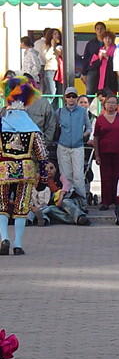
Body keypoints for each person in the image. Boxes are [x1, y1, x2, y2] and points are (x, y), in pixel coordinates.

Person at [0, 77, 48, 256]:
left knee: (2, 205)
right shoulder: (32, 127)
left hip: (4, 170)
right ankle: (18, 244)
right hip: (26, 170)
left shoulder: (2, 124)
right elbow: (42, 155)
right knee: (22, 206)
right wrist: (43, 178)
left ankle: (4, 237)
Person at [93, 95, 119, 210]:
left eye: (114, 103)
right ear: (104, 104)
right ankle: (106, 201)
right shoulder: (100, 119)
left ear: (117, 105)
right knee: (105, 177)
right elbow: (96, 137)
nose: (111, 105)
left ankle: (118, 201)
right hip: (104, 152)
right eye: (109, 102)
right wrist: (97, 154)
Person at [56, 86, 92, 209]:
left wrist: (83, 135)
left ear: (76, 98)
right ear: (65, 98)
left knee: (78, 176)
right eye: (69, 96)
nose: (71, 99)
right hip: (63, 146)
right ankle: (67, 202)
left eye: (74, 96)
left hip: (78, 146)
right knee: (66, 176)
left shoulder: (82, 111)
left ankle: (82, 203)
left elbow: (89, 127)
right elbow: (55, 127)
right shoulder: (59, 112)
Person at [39, 160, 90, 226]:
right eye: (46, 169)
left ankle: (80, 216)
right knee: (49, 209)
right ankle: (76, 220)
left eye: (51, 168)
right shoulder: (43, 182)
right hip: (58, 206)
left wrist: (61, 197)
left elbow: (67, 185)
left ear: (56, 169)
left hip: (71, 201)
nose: (49, 170)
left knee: (65, 201)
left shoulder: (60, 177)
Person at [82, 22, 106, 95]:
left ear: (105, 30)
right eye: (97, 29)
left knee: (104, 93)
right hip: (93, 70)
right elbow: (86, 58)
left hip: (105, 71)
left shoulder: (108, 42)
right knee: (90, 92)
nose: (99, 31)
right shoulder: (91, 43)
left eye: (101, 29)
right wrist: (84, 73)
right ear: (95, 30)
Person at [42, 28, 62, 102]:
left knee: (60, 92)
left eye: (58, 34)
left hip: (60, 70)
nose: (57, 35)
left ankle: (56, 110)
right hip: (50, 70)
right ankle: (45, 108)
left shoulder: (61, 46)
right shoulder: (47, 46)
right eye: (54, 34)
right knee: (52, 92)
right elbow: (47, 57)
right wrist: (52, 47)